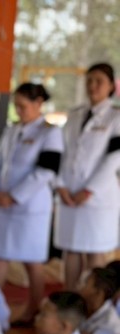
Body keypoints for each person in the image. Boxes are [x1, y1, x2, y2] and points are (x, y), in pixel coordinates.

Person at [0, 83, 64, 325]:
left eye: (23, 106)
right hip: (3, 205)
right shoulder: (11, 130)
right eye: (16, 106)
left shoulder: (49, 132)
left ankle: (33, 310)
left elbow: (47, 171)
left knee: (33, 262)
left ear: (38, 103)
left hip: (31, 208)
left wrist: (15, 196)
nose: (18, 111)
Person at [54, 62, 120, 291]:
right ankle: (69, 300)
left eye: (99, 81)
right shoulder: (74, 116)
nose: (93, 86)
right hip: (68, 194)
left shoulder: (116, 117)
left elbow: (114, 158)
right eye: (89, 80)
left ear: (111, 86)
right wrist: (60, 186)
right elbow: (61, 154)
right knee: (71, 249)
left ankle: (94, 302)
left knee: (94, 252)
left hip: (97, 197)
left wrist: (89, 190)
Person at [78, 267, 120, 334]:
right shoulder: (85, 308)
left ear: (98, 293)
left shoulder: (111, 323)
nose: (80, 286)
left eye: (86, 283)